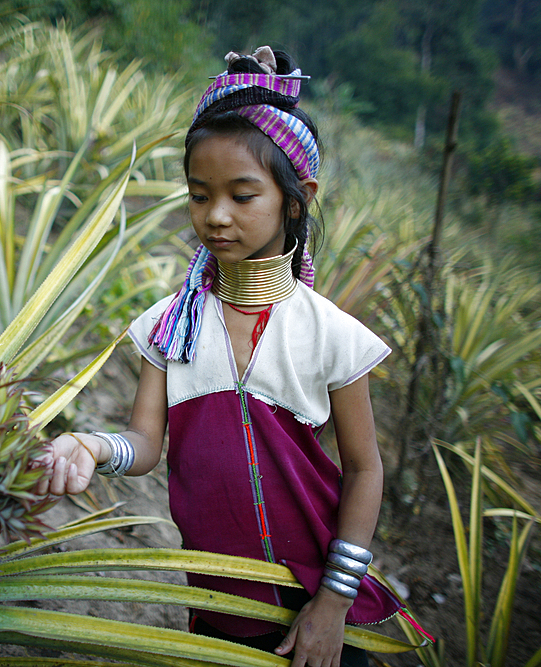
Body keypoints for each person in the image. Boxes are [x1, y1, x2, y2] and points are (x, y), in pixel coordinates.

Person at [38, 46, 405, 667]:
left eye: (242, 196)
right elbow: (146, 446)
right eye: (200, 195)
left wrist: (333, 604)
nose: (215, 216)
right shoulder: (168, 327)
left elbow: (364, 470)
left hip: (313, 603)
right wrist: (93, 447)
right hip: (217, 605)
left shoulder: (331, 336)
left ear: (296, 198)